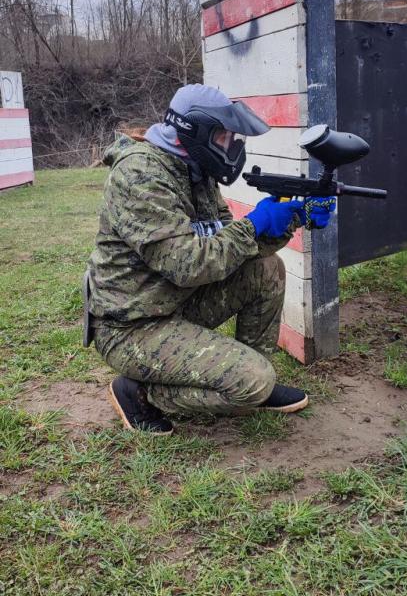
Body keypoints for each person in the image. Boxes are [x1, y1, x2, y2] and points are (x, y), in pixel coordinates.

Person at [87, 84, 335, 435]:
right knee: (252, 382)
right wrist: (254, 225)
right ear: (196, 130)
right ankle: (139, 392)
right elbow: (187, 264)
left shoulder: (194, 170)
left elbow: (229, 251)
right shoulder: (140, 174)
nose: (231, 146)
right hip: (130, 326)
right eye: (224, 136)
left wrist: (291, 218)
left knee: (266, 269)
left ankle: (254, 383)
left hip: (172, 304)